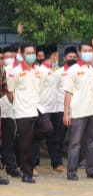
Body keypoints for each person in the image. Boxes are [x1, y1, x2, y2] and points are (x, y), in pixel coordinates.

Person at [6, 44, 53, 183]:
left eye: (33, 52)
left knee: (48, 128)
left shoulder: (39, 70)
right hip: (23, 111)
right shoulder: (14, 72)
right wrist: (17, 104)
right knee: (26, 147)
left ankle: (29, 137)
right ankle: (27, 174)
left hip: (37, 108)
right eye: (28, 52)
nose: (31, 55)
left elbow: (42, 86)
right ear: (22, 54)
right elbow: (10, 91)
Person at [63, 42, 93, 180]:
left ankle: (91, 170)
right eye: (85, 50)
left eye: (90, 50)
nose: (88, 53)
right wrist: (66, 113)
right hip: (78, 111)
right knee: (75, 142)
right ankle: (72, 171)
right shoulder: (73, 70)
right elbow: (68, 93)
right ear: (79, 53)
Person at [46, 46, 78, 176]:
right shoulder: (58, 73)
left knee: (76, 139)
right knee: (58, 138)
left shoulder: (80, 71)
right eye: (70, 57)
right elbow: (52, 90)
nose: (72, 59)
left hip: (77, 110)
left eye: (75, 57)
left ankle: (75, 163)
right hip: (60, 109)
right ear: (64, 58)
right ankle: (57, 164)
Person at [36, 44, 66, 173]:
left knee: (54, 138)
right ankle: (32, 164)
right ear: (54, 55)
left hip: (54, 108)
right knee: (41, 134)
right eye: (57, 55)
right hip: (43, 108)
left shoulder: (55, 70)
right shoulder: (40, 70)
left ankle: (56, 164)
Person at [0, 47, 20, 179]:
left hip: (6, 112)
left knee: (8, 140)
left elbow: (5, 91)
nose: (3, 60)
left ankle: (11, 167)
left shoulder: (3, 72)